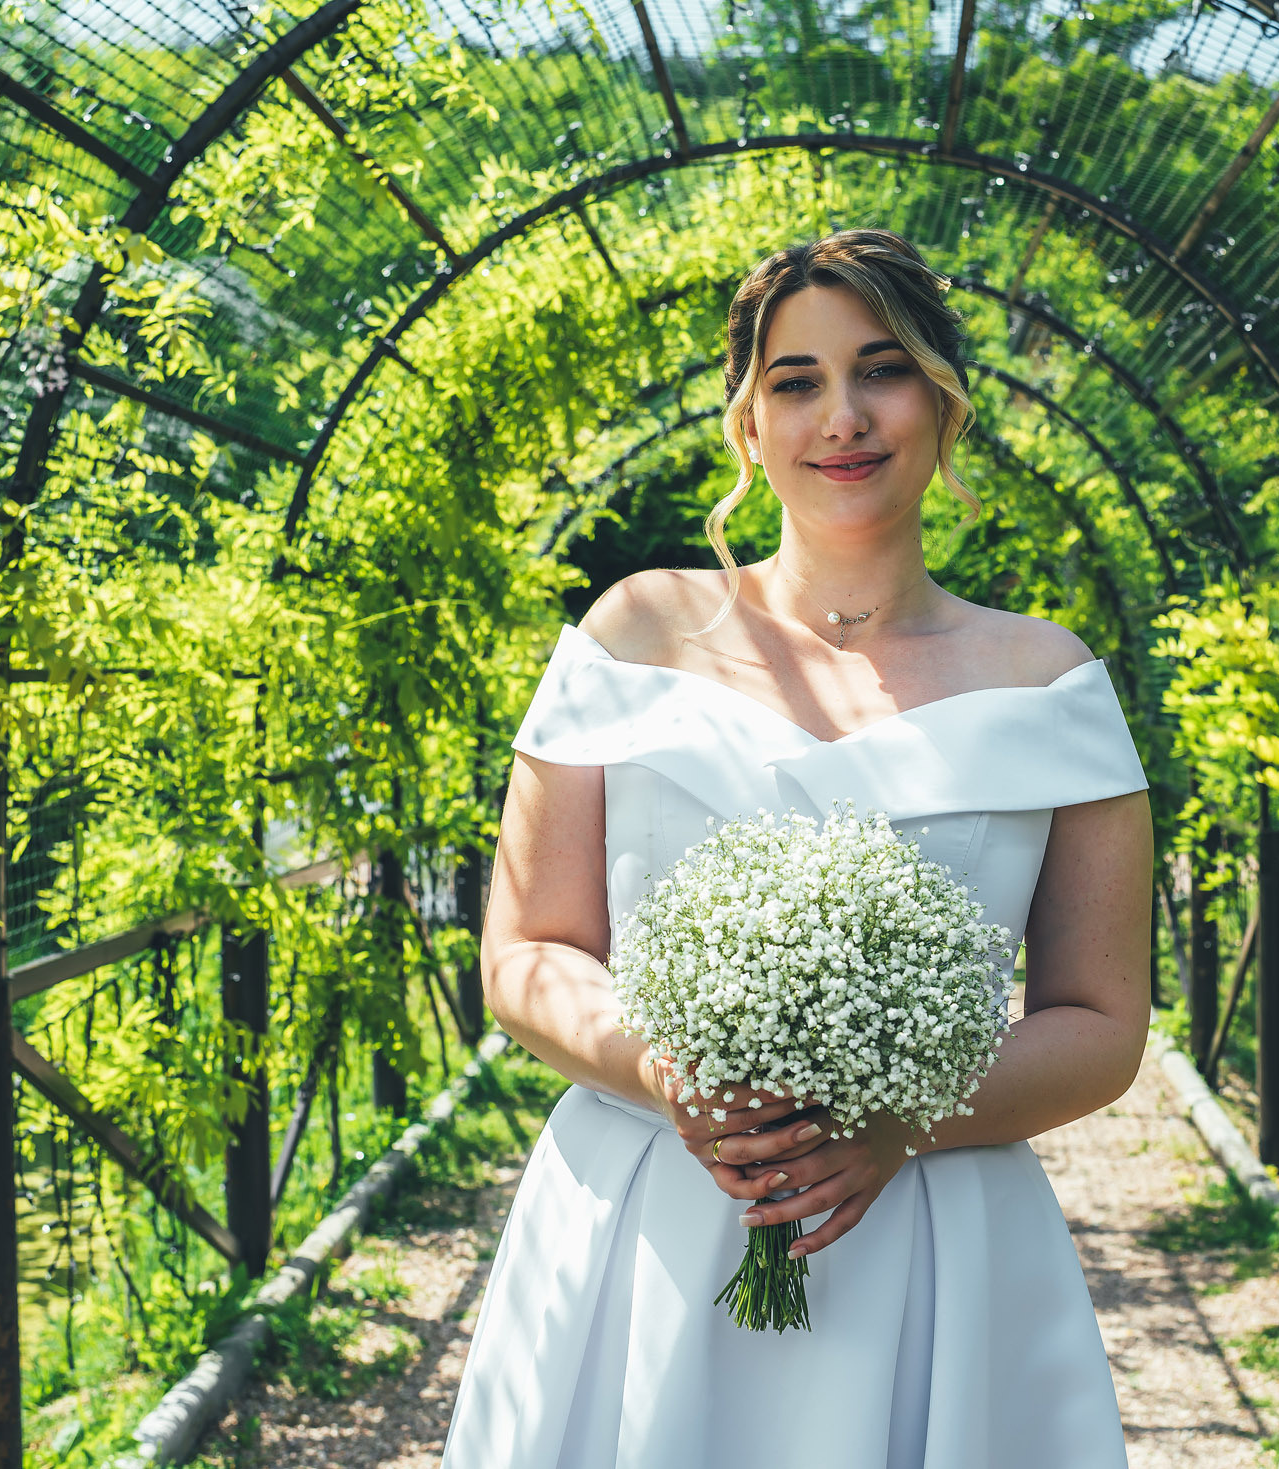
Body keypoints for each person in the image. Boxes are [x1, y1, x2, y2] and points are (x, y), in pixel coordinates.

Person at [441, 228, 1153, 1468]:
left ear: (944, 400)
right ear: (750, 422)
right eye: (796, 380)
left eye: (882, 369)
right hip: (644, 1227)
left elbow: (1101, 1022)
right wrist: (662, 1069)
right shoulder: (632, 632)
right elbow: (526, 948)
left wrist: (899, 1122)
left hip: (931, 1240)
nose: (843, 417)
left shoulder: (1048, 679)